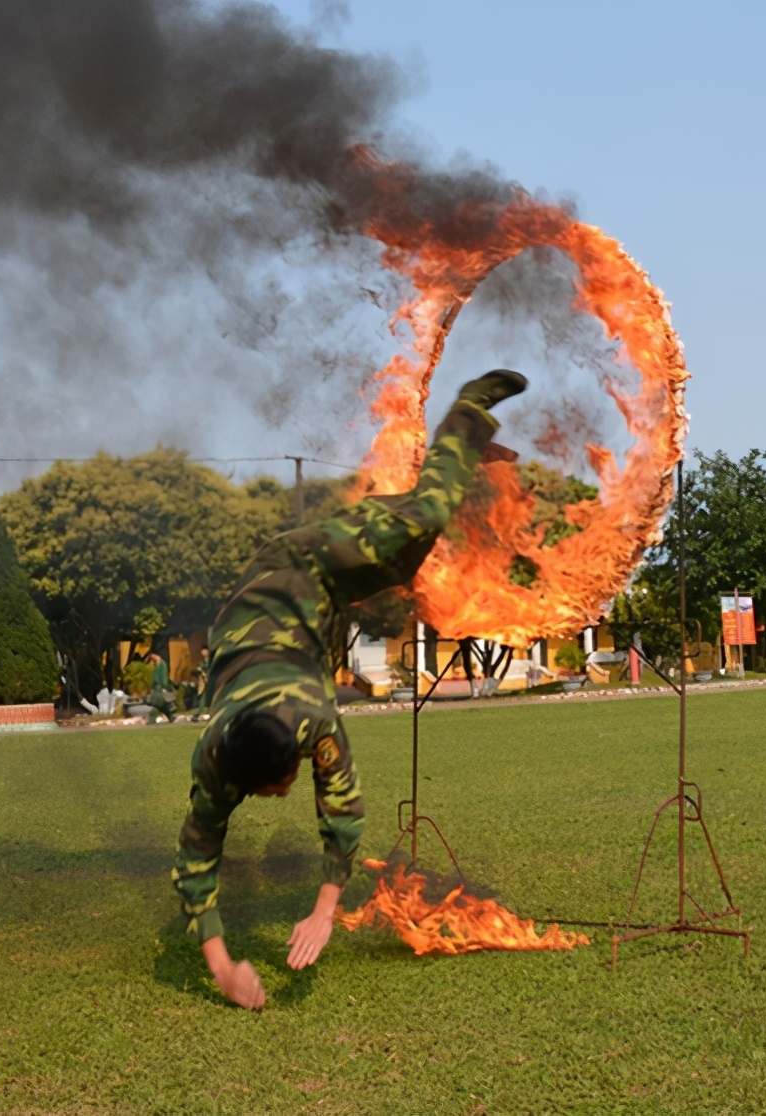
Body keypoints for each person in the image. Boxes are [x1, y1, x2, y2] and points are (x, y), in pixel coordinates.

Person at [171, 369, 527, 1010]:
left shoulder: (310, 721)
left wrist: (325, 910)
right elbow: (195, 861)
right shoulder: (216, 761)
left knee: (422, 517)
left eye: (282, 783)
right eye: (280, 786)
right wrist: (222, 967)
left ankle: (468, 411)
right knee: (406, 554)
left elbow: (342, 812)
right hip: (305, 620)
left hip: (297, 567)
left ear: (289, 758)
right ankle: (462, 464)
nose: (284, 793)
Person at [147, 652, 177, 723]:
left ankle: (152, 719)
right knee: (161, 704)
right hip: (156, 687)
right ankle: (171, 716)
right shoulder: (156, 664)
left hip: (159, 687)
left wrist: (164, 686)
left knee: (156, 704)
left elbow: (163, 676)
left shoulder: (162, 665)